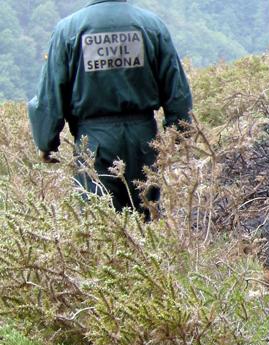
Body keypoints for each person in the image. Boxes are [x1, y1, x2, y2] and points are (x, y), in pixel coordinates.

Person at [28, 0, 192, 217]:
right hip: (143, 140)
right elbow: (177, 90)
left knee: (99, 224)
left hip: (94, 142)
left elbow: (50, 96)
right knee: (147, 223)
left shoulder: (68, 30)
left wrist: (46, 143)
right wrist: (179, 137)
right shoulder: (152, 26)